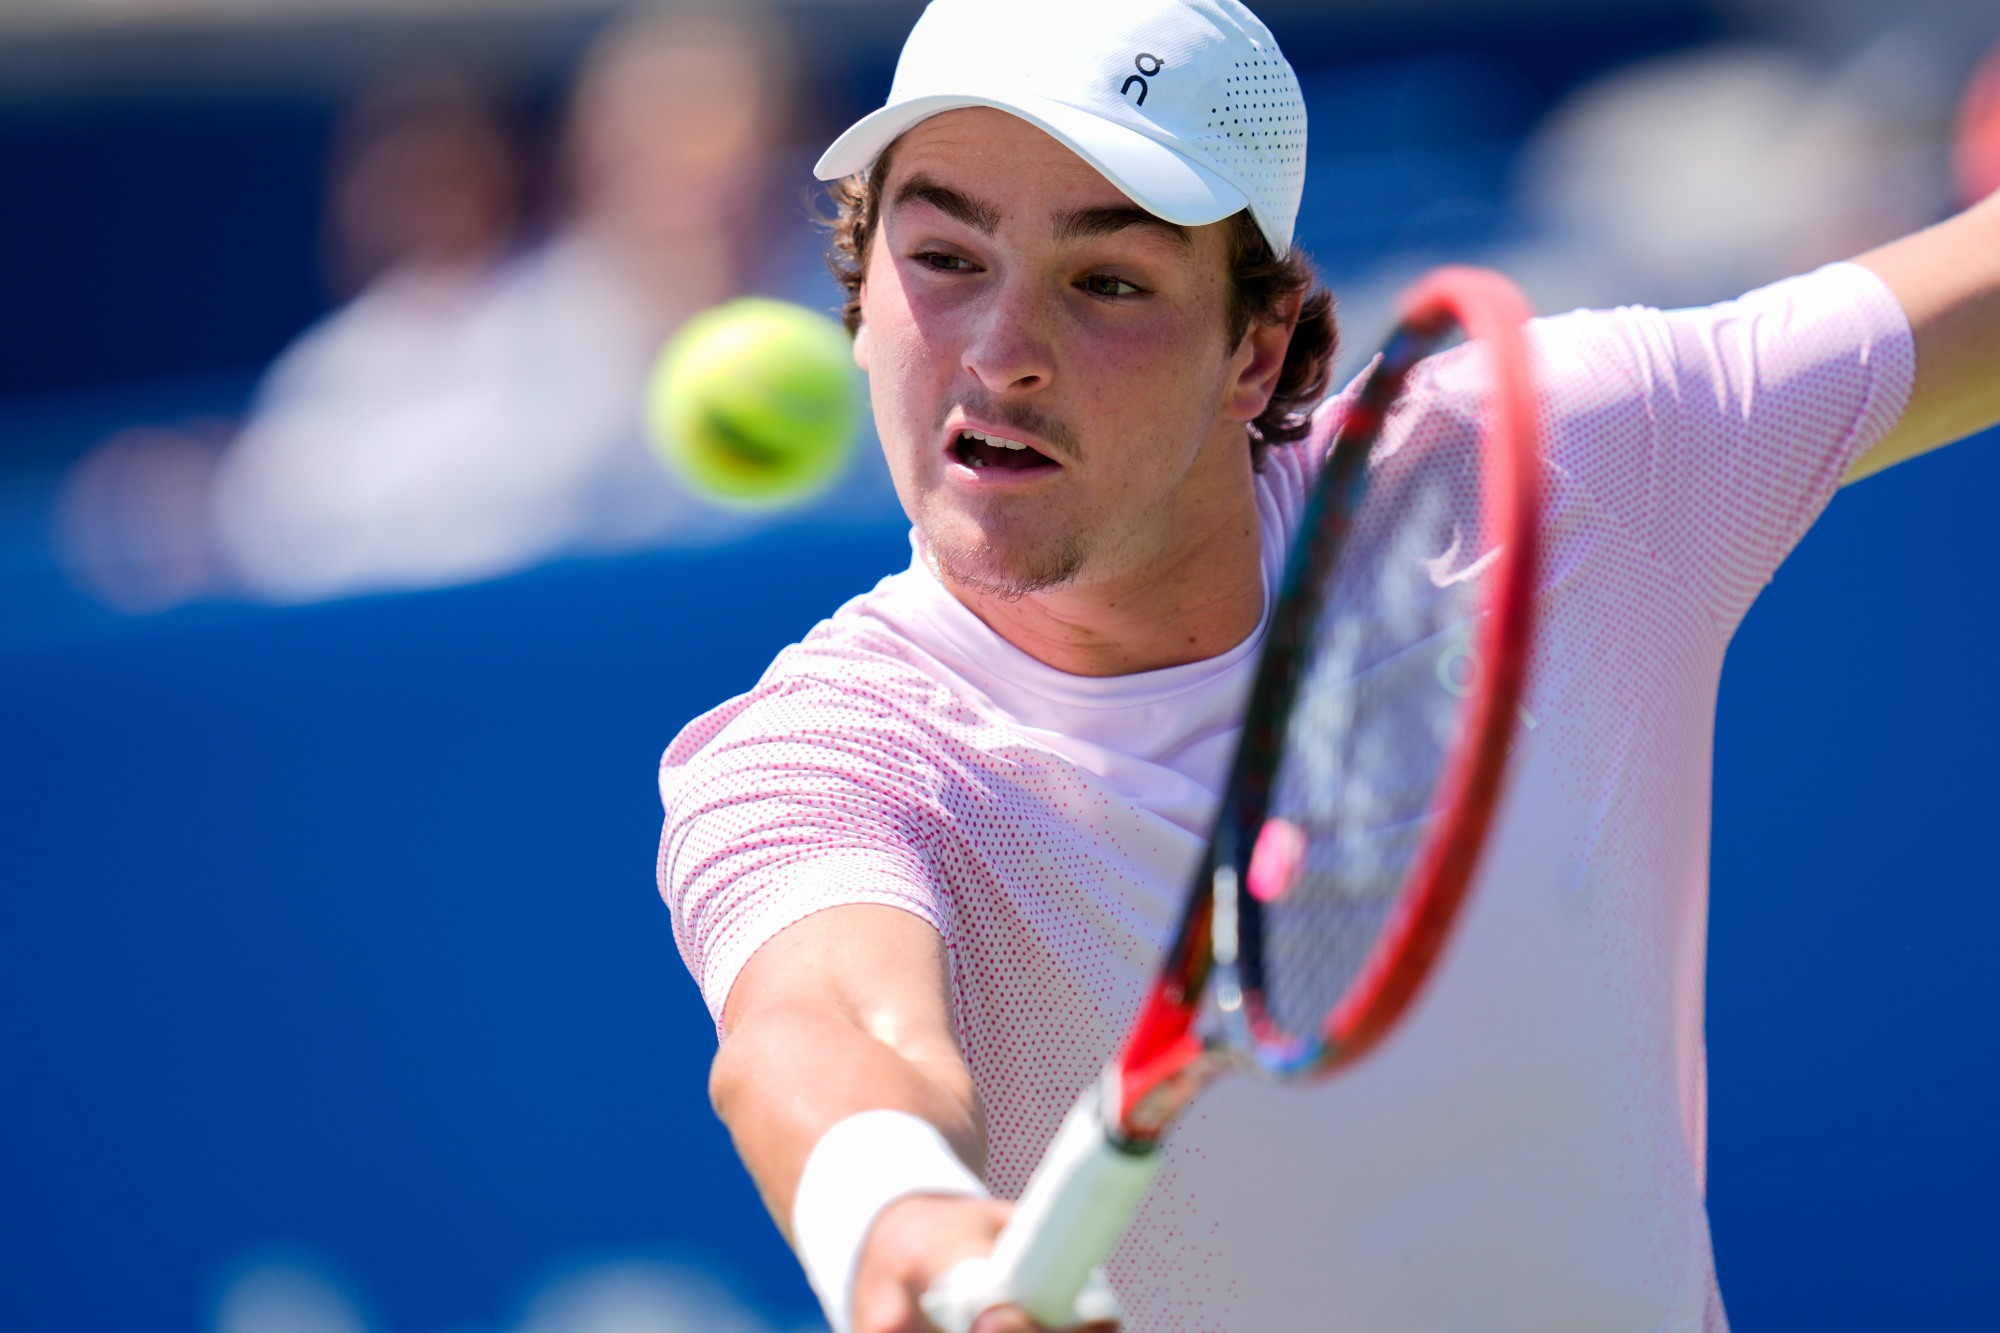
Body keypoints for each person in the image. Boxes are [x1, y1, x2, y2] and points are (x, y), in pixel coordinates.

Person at [655, 1, 2000, 1329]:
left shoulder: (1550, 467)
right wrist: (899, 1212)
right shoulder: (815, 757)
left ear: (1262, 345)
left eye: (1106, 280)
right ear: (858, 291)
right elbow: (824, 1025)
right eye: (944, 257)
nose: (1001, 355)